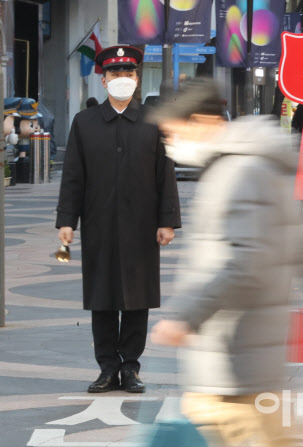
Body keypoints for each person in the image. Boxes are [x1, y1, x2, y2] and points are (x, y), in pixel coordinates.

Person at [149, 80, 303, 446]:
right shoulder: (261, 168)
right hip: (254, 362)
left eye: (172, 132)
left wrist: (186, 315)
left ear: (199, 120)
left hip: (230, 363)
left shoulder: (237, 173)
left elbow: (244, 261)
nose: (170, 144)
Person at [56, 45, 181, 394]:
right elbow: (72, 176)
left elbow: (164, 174)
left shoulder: (154, 123)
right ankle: (107, 368)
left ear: (136, 78)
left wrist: (167, 220)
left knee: (137, 298)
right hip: (98, 225)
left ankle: (130, 367)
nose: (121, 79)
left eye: (128, 73)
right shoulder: (84, 123)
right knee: (102, 298)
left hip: (142, 227)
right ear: (104, 79)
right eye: (115, 74)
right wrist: (67, 220)